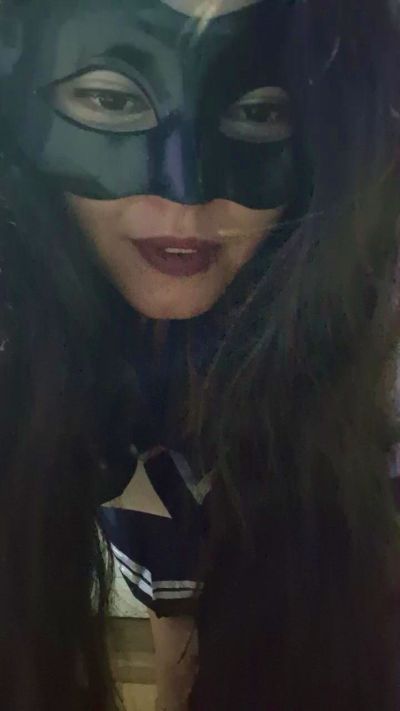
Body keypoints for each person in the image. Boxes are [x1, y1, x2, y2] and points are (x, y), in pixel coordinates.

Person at [0, 0, 399, 710]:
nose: (186, 192)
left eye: (257, 112)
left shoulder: (363, 340)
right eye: (111, 100)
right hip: (162, 538)